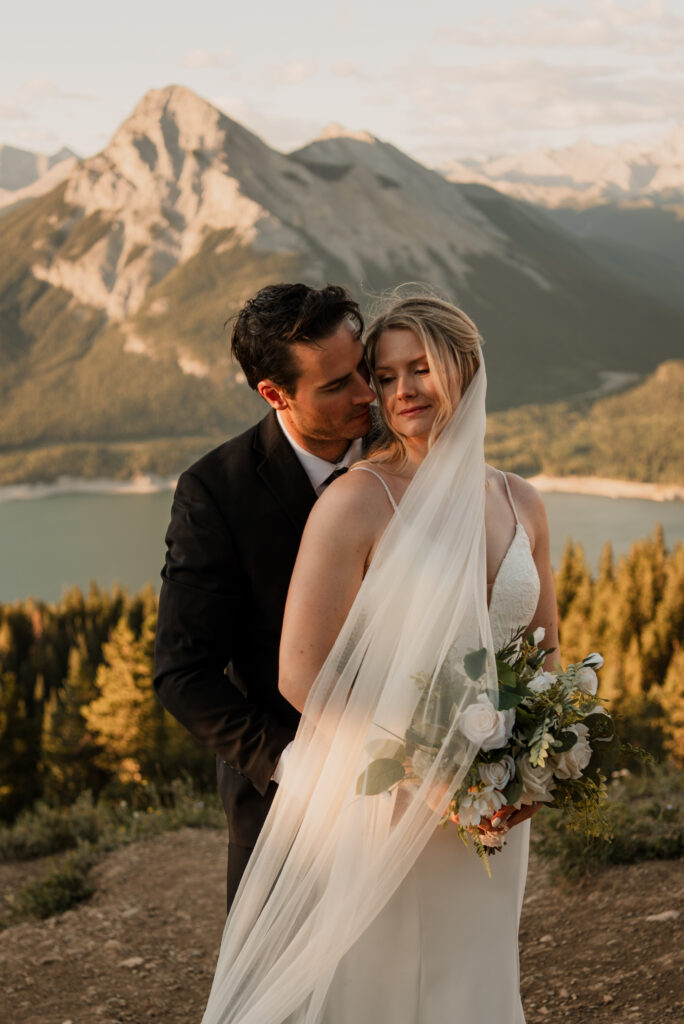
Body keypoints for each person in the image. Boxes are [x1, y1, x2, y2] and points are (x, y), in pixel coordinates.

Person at [200, 292, 560, 1024]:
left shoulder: (521, 502)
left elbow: (543, 656)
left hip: (491, 810)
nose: (399, 392)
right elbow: (302, 673)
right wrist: (429, 779)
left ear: (466, 367)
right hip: (387, 800)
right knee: (381, 990)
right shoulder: (358, 499)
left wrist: (533, 769)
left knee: (471, 978)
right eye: (384, 375)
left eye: (418, 369)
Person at [153, 283, 376, 910]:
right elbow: (183, 674)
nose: (367, 392)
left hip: (426, 779)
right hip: (290, 802)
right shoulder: (214, 493)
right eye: (336, 385)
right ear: (275, 395)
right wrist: (297, 765)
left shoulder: (410, 443)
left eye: (363, 366)